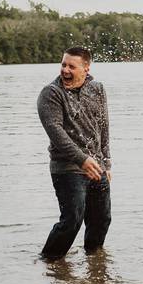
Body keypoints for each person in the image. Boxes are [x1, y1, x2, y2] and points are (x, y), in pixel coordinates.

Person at [37, 46, 112, 260]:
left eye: (72, 66)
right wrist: (82, 159)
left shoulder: (97, 89)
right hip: (67, 167)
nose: (65, 70)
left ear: (86, 68)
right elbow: (56, 132)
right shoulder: (51, 93)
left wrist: (106, 163)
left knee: (102, 220)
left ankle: (95, 262)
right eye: (63, 65)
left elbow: (103, 127)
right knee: (72, 220)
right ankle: (50, 261)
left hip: (96, 166)